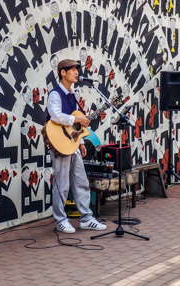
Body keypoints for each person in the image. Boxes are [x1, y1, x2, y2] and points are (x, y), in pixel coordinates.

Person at [46, 59, 107, 233]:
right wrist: (77, 119)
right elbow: (56, 116)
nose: (76, 72)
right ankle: (60, 219)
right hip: (59, 143)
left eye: (76, 69)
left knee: (81, 181)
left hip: (72, 143)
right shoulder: (55, 94)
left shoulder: (72, 95)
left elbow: (74, 126)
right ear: (62, 72)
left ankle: (86, 218)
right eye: (72, 69)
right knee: (62, 183)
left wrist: (80, 141)